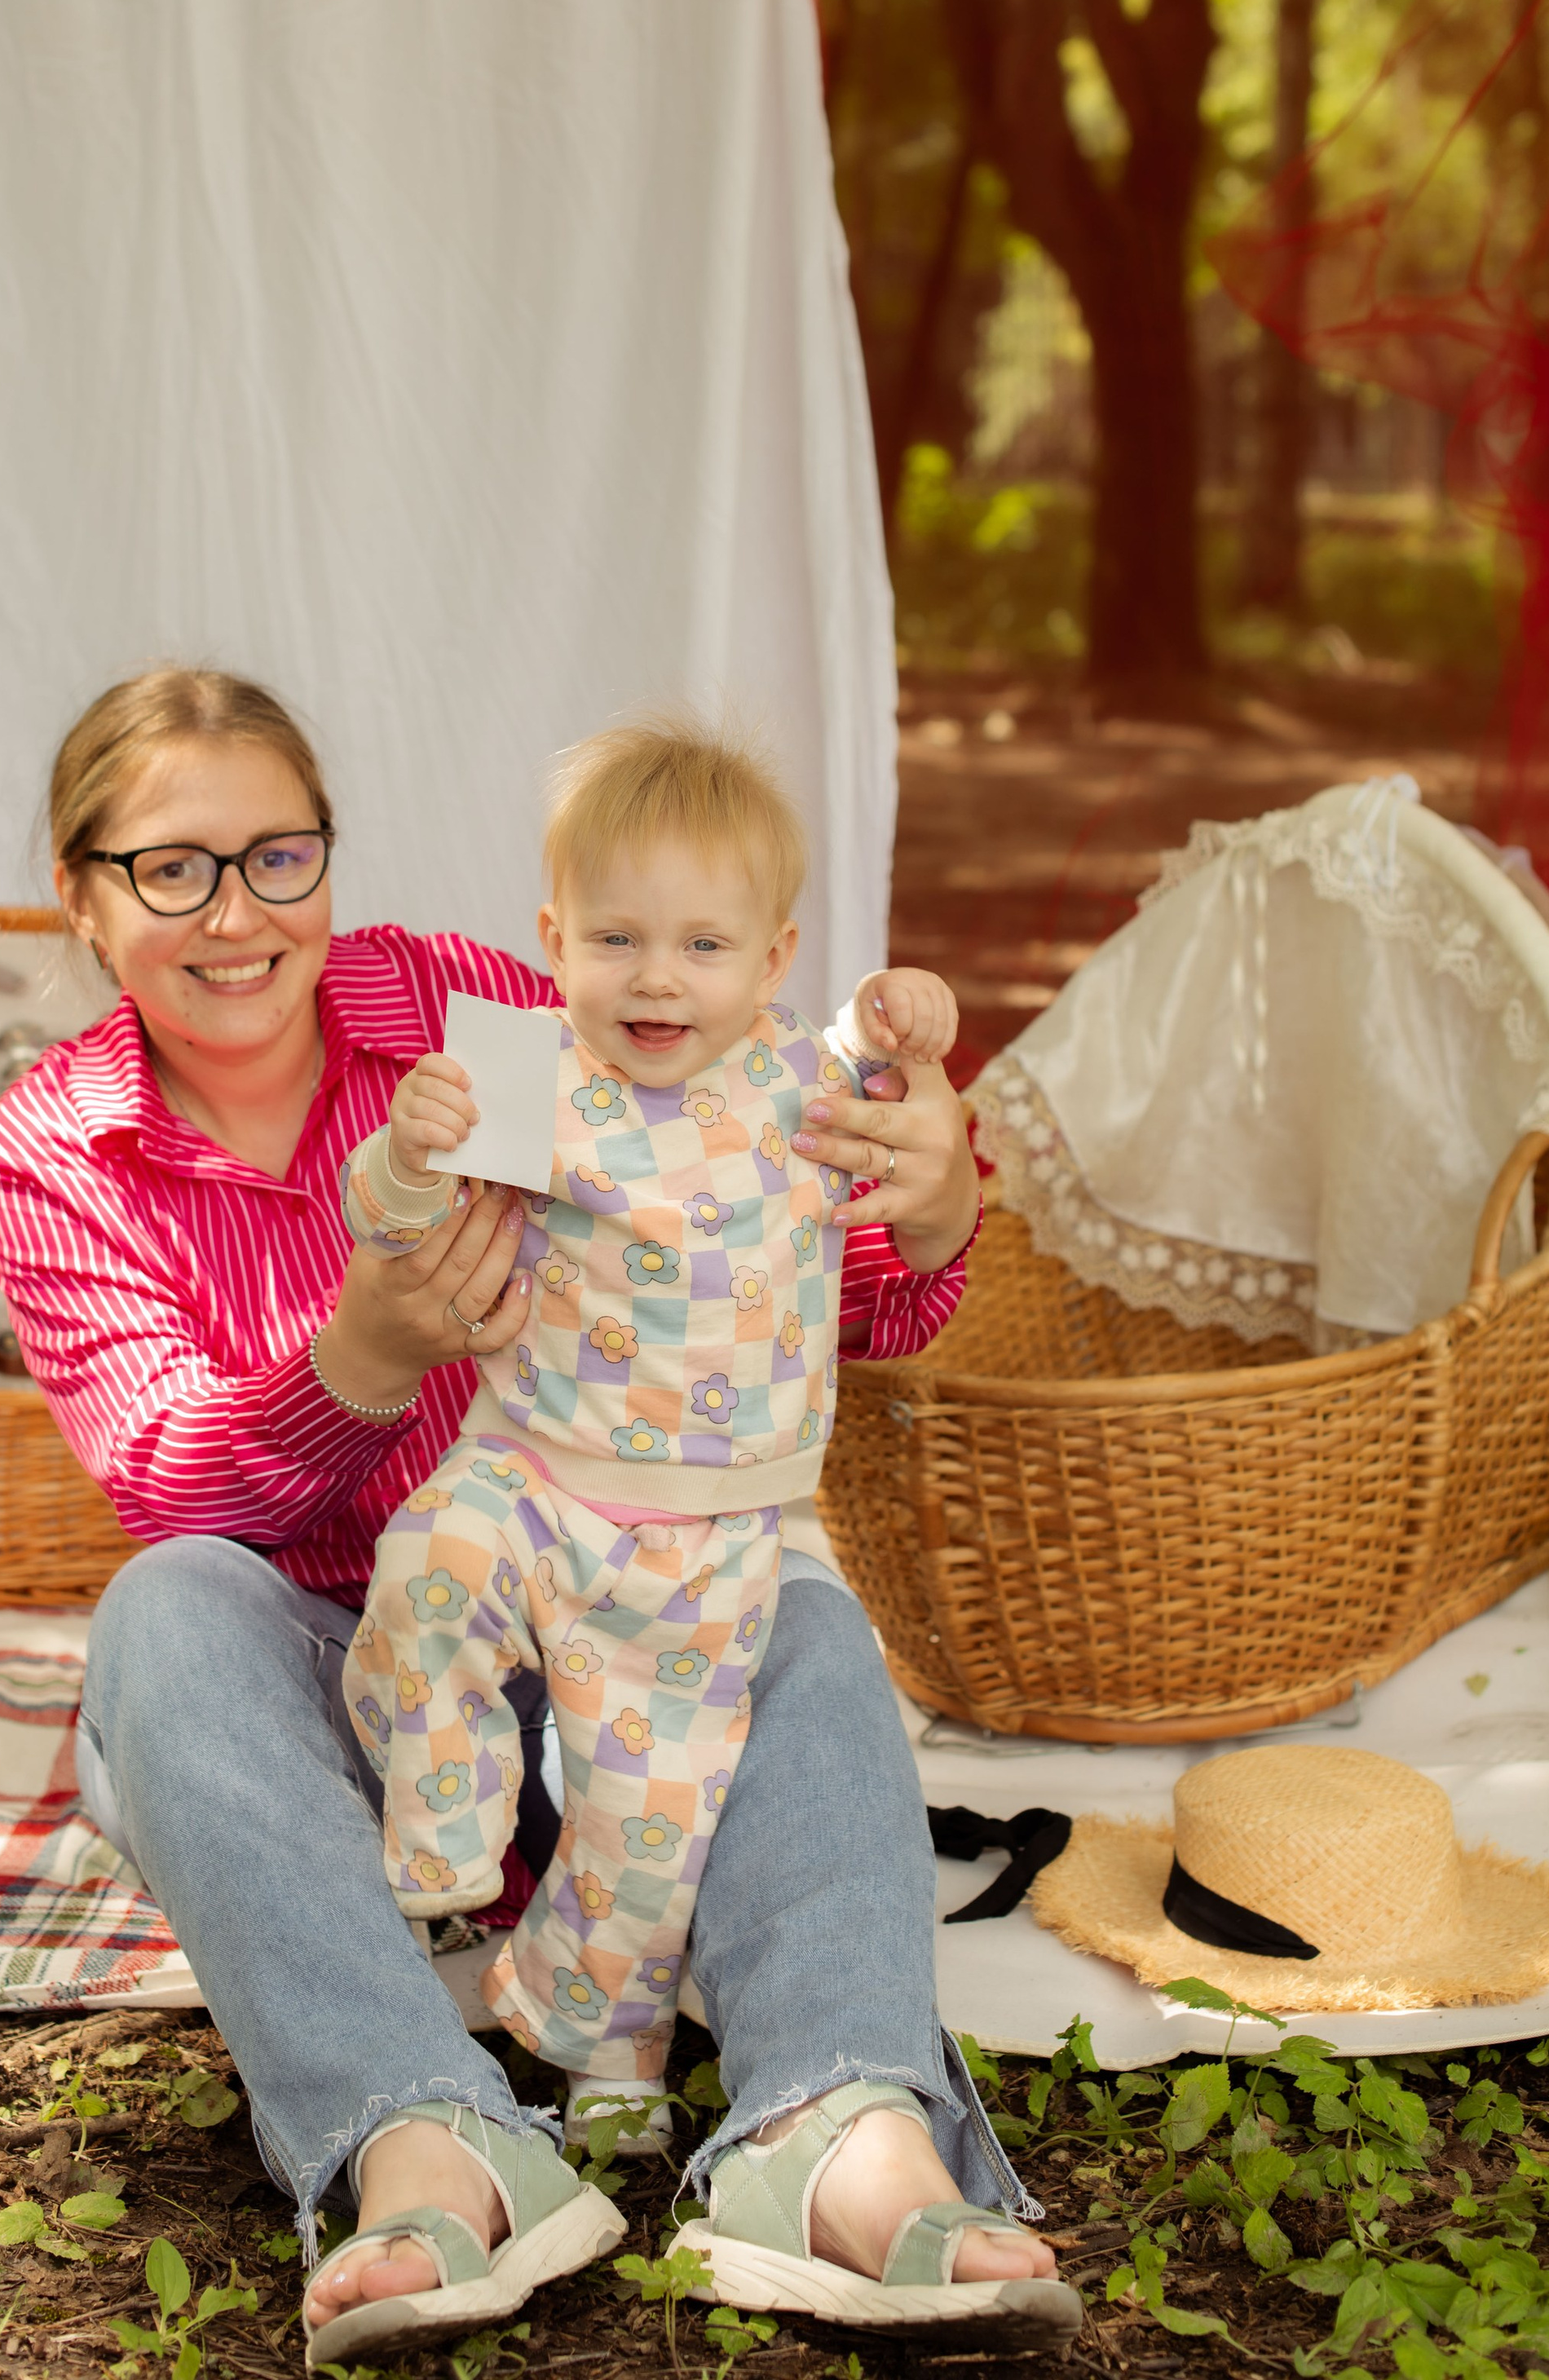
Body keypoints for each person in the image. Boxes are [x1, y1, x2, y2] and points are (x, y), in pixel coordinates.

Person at [0, 666, 1075, 2362]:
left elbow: (746, 1290)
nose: (237, 915)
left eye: (278, 856)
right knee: (165, 1609)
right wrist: (362, 1356)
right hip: (315, 1722)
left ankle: (838, 2133)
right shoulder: (49, 1147)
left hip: (596, 1656)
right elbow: (171, 1484)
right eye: (171, 868)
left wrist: (920, 1216)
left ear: (327, 855)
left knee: (799, 1617)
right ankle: (425, 2141)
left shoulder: (464, 1008)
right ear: (81, 894)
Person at [340, 718, 960, 2133]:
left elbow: (898, 1089)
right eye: (616, 940)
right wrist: (410, 1149)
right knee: (428, 1563)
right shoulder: (533, 1078)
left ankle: (608, 2053)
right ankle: (442, 1833)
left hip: (707, 1537)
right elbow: (391, 1225)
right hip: (533, 1470)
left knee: (647, 1822)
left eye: (703, 946)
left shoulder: (804, 1086)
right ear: (554, 939)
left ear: (774, 960)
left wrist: (902, 1013)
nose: (657, 978)